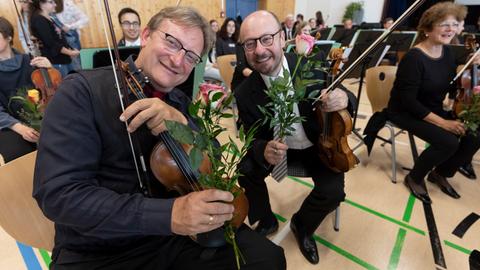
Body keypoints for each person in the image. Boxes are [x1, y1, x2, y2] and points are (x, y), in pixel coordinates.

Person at [33, 6, 285, 270]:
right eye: (172, 42)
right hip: (99, 250)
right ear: (146, 35)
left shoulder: (179, 102)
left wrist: (182, 124)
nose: (178, 61)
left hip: (175, 238)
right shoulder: (81, 92)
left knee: (267, 259)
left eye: (190, 56)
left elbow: (214, 156)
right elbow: (59, 195)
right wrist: (169, 214)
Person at [235, 10, 350, 265]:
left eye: (266, 39)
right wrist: (262, 147)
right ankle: (265, 219)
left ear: (282, 38)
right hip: (278, 148)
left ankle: (303, 226)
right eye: (250, 44)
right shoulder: (244, 92)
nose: (259, 50)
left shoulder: (311, 64)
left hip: (318, 145)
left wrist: (343, 99)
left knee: (333, 192)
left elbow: (346, 96)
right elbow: (249, 134)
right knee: (244, 171)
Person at [386, 2, 480, 203]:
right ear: (428, 28)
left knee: (474, 134)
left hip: (432, 107)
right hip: (405, 112)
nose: (450, 30)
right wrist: (444, 122)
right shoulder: (414, 58)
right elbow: (409, 102)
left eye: (454, 25)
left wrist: (469, 67)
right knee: (448, 141)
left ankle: (441, 173)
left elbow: (449, 82)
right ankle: (415, 177)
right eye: (444, 24)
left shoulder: (446, 52)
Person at [0, 17, 51, 163]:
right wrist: (20, 128)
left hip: (43, 119)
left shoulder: (30, 60)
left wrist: (49, 69)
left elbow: (52, 92)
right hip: (10, 126)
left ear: (9, 37)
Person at [29, 0, 78, 77]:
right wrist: (69, 52)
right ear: (41, 4)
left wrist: (70, 49)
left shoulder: (50, 17)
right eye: (51, 2)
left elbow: (59, 38)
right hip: (55, 61)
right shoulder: (39, 20)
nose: (55, 5)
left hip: (63, 59)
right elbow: (51, 43)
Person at [55, 0, 89, 70]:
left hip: (70, 38)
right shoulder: (47, 5)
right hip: (56, 41)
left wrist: (70, 26)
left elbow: (85, 19)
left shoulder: (68, 4)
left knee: (76, 65)